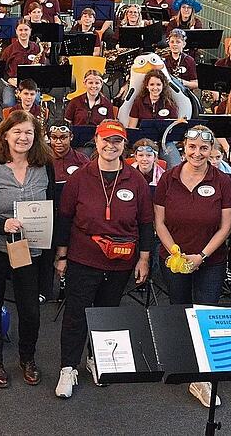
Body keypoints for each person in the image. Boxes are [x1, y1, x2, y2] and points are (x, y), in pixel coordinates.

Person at [54, 120, 153, 399]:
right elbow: (65, 219)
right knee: (76, 314)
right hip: (83, 257)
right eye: (106, 140)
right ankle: (68, 367)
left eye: (117, 142)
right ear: (96, 141)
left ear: (124, 146)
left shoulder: (136, 180)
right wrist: (61, 256)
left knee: (107, 314)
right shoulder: (79, 178)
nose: (111, 146)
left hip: (121, 260)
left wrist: (144, 259)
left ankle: (97, 359)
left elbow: (146, 223)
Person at [153, 125, 231, 407]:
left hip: (209, 260)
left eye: (204, 148)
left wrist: (201, 255)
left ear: (212, 150)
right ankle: (183, 363)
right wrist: (174, 251)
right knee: (179, 309)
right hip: (174, 258)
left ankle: (203, 378)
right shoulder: (168, 178)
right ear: (183, 149)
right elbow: (159, 222)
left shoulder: (222, 181)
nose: (197, 153)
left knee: (206, 314)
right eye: (191, 147)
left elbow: (225, 227)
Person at [0, 110, 55, 388]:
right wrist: (1, 224)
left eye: (28, 132)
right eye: (17, 131)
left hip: (31, 253)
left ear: (36, 136)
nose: (23, 137)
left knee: (30, 310)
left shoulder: (45, 166)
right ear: (5, 134)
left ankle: (27, 358)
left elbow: (52, 207)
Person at [0, 19, 45, 111]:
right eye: (20, 30)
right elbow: (1, 70)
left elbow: (42, 68)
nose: (23, 32)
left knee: (35, 101)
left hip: (32, 85)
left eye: (26, 30)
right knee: (8, 103)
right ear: (16, 31)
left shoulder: (37, 48)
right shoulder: (9, 50)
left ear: (30, 31)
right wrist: (9, 80)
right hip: (13, 85)